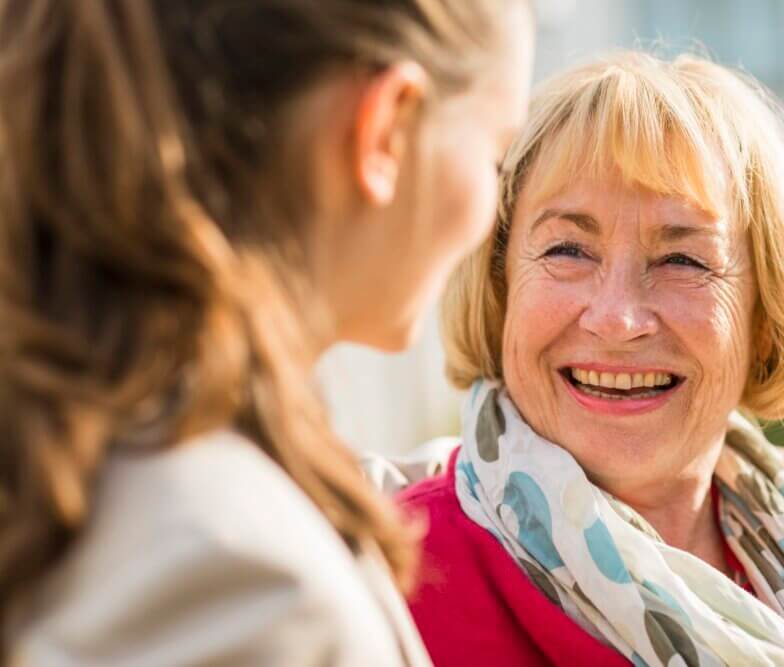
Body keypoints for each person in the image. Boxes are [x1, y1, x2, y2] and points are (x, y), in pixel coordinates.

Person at [0, 0, 532, 664]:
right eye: (496, 155)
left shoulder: (96, 445)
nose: (490, 213)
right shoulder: (244, 585)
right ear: (387, 128)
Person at [398, 52, 784, 666]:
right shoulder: (398, 575)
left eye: (683, 261)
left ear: (764, 315)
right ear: (499, 288)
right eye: (568, 249)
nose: (618, 318)